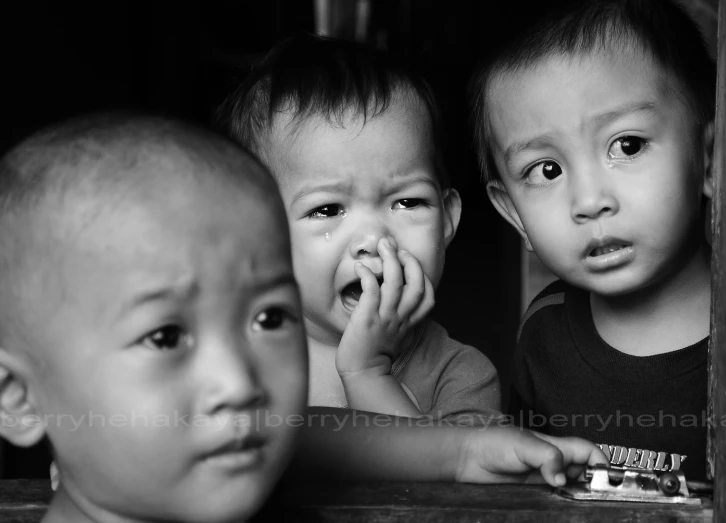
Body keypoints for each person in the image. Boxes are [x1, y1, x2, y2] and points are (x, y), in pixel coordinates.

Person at [0, 112, 607, 521]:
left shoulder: (250, 433)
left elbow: (327, 434)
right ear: (20, 398)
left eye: (269, 318)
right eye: (166, 335)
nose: (241, 380)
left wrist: (466, 453)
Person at [469, 0, 715, 480]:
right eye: (547, 170)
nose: (588, 200)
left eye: (626, 145)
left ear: (711, 160)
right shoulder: (544, 331)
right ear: (514, 213)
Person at [216, 33, 502, 423]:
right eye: (327, 209)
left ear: (447, 219)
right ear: (260, 231)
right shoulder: (238, 361)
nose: (374, 240)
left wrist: (368, 374)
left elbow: (443, 475)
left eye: (407, 202)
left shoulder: (461, 376)